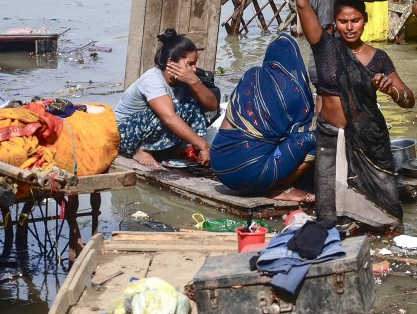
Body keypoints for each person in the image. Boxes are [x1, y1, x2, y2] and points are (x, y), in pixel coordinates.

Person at [297, 0, 417, 231]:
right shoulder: (325, 47)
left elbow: (408, 100)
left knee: (389, 218)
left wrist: (392, 91)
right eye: (343, 21)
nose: (350, 27)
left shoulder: (378, 58)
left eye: (356, 21)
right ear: (334, 23)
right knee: (328, 216)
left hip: (369, 141)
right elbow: (302, 5)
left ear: (365, 21)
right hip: (328, 136)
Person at [210, 33, 316, 203]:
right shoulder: (293, 91)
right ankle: (280, 188)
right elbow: (303, 127)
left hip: (218, 162)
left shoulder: (252, 76)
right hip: (253, 172)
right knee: (315, 137)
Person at [114, 29, 218, 168]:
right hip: (125, 134)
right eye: (190, 64)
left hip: (147, 129)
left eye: (195, 64)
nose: (194, 69)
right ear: (171, 62)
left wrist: (194, 82)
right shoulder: (152, 79)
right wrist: (203, 145)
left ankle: (173, 149)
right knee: (168, 110)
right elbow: (169, 118)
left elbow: (212, 106)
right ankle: (141, 151)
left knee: (193, 104)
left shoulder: (185, 79)